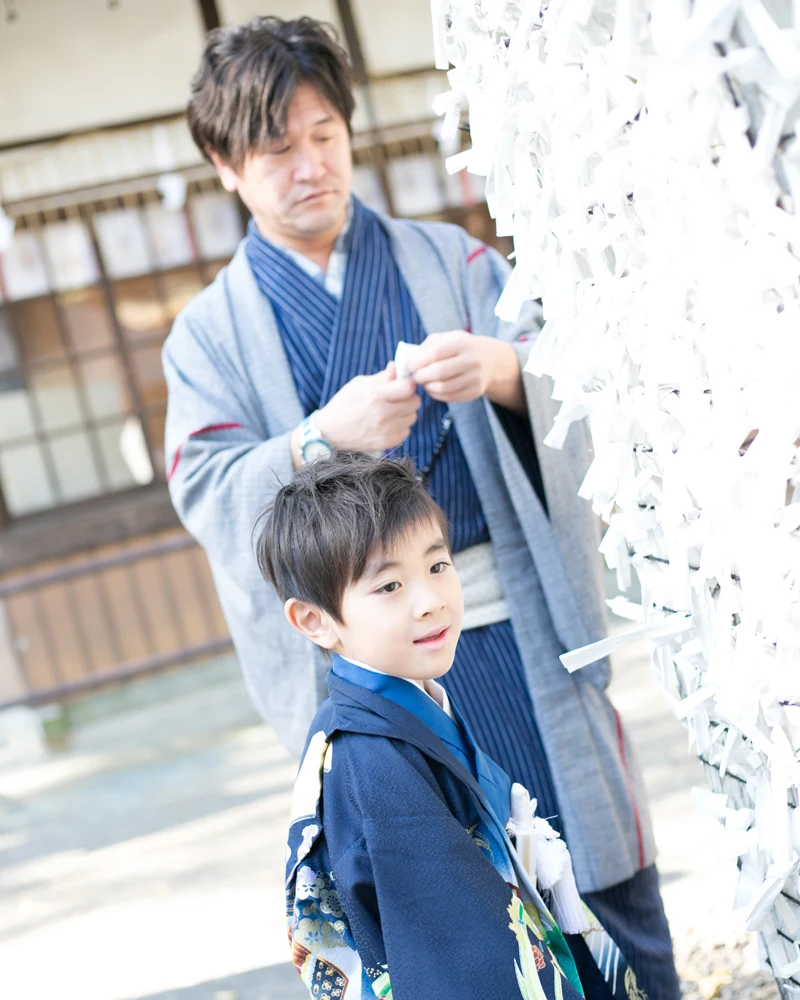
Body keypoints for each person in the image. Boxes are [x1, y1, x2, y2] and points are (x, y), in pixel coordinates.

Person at [163, 16, 680, 997]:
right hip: (374, 683)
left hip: (517, 635)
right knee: (454, 932)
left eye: (325, 134)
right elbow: (210, 494)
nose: (309, 164)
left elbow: (588, 385)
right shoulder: (206, 339)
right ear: (226, 167)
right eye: (276, 148)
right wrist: (320, 437)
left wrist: (507, 373)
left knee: (595, 888)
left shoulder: (454, 263)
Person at [258, 451, 648, 1000]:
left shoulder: (392, 712)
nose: (430, 601)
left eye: (438, 566)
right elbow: (459, 960)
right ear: (315, 621)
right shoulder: (370, 759)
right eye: (389, 586)